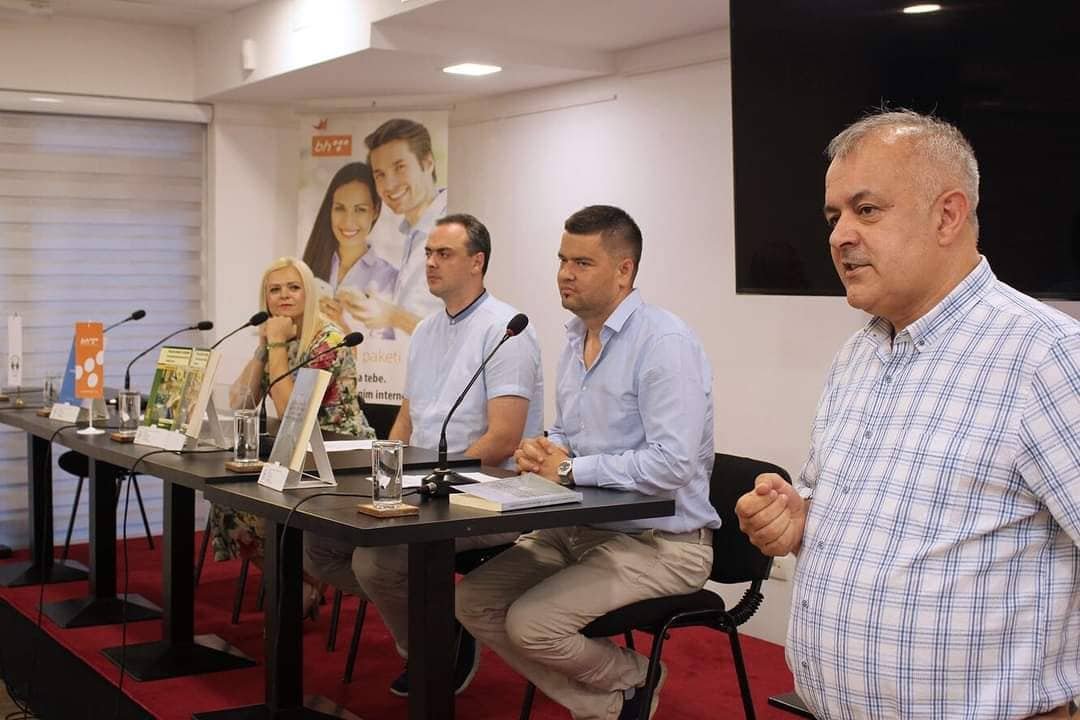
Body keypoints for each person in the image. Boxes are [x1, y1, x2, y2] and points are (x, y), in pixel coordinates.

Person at [736, 110, 1080, 720]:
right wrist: (798, 519)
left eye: (866, 210)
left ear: (947, 216)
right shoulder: (858, 354)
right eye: (833, 217)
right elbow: (840, 505)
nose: (839, 236)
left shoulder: (1045, 357)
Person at [456, 205, 720, 720]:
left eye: (582, 263)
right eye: (562, 260)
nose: (565, 274)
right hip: (580, 528)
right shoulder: (576, 338)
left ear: (624, 270)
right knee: (471, 602)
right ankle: (614, 698)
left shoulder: (664, 343)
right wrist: (542, 449)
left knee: (531, 625)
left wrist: (570, 469)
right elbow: (569, 435)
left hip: (662, 543)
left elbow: (673, 464)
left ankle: (633, 678)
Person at [304, 213, 544, 696]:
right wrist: (386, 472)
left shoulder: (506, 331)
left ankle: (430, 650)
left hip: (486, 495)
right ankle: (441, 623)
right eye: (428, 253)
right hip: (424, 488)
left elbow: (503, 439)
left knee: (377, 563)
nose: (431, 263)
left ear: (477, 262)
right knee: (319, 546)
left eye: (444, 254)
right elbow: (407, 418)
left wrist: (434, 483)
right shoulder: (429, 329)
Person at [210, 257, 375, 617]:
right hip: (300, 453)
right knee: (228, 504)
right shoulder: (280, 338)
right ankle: (302, 582)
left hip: (342, 456)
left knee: (266, 509)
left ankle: (301, 582)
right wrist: (264, 347)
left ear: (309, 293)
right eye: (275, 290)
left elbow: (290, 410)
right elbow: (242, 402)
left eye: (293, 287)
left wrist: (276, 346)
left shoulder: (329, 339)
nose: (284, 296)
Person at [347, 118, 446, 335]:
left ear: (428, 163)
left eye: (400, 167)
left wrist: (393, 316)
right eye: (380, 175)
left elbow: (455, 329)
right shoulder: (412, 232)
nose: (389, 185)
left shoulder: (453, 227)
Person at [300, 162, 398, 336]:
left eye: (360, 210)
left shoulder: (389, 279)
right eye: (340, 208)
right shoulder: (309, 266)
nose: (348, 221)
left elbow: (388, 346)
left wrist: (342, 325)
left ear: (375, 211)